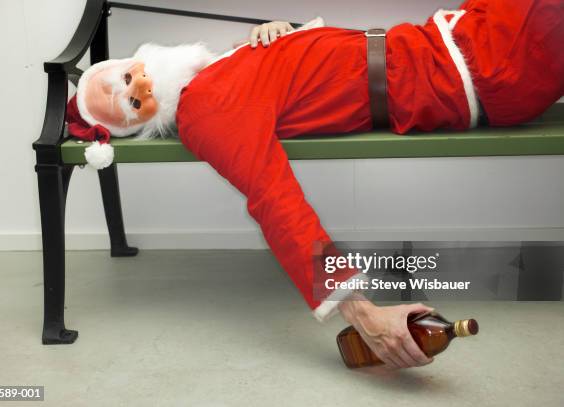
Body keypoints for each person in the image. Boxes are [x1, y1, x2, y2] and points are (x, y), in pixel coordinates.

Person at [66, 0, 563, 369]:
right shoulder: (207, 112)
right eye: (130, 104)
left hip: (457, 41)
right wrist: (362, 314)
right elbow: (277, 204)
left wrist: (287, 35)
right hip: (478, 66)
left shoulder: (216, 71)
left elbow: (312, 77)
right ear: (139, 126)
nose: (138, 87)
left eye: (121, 77)